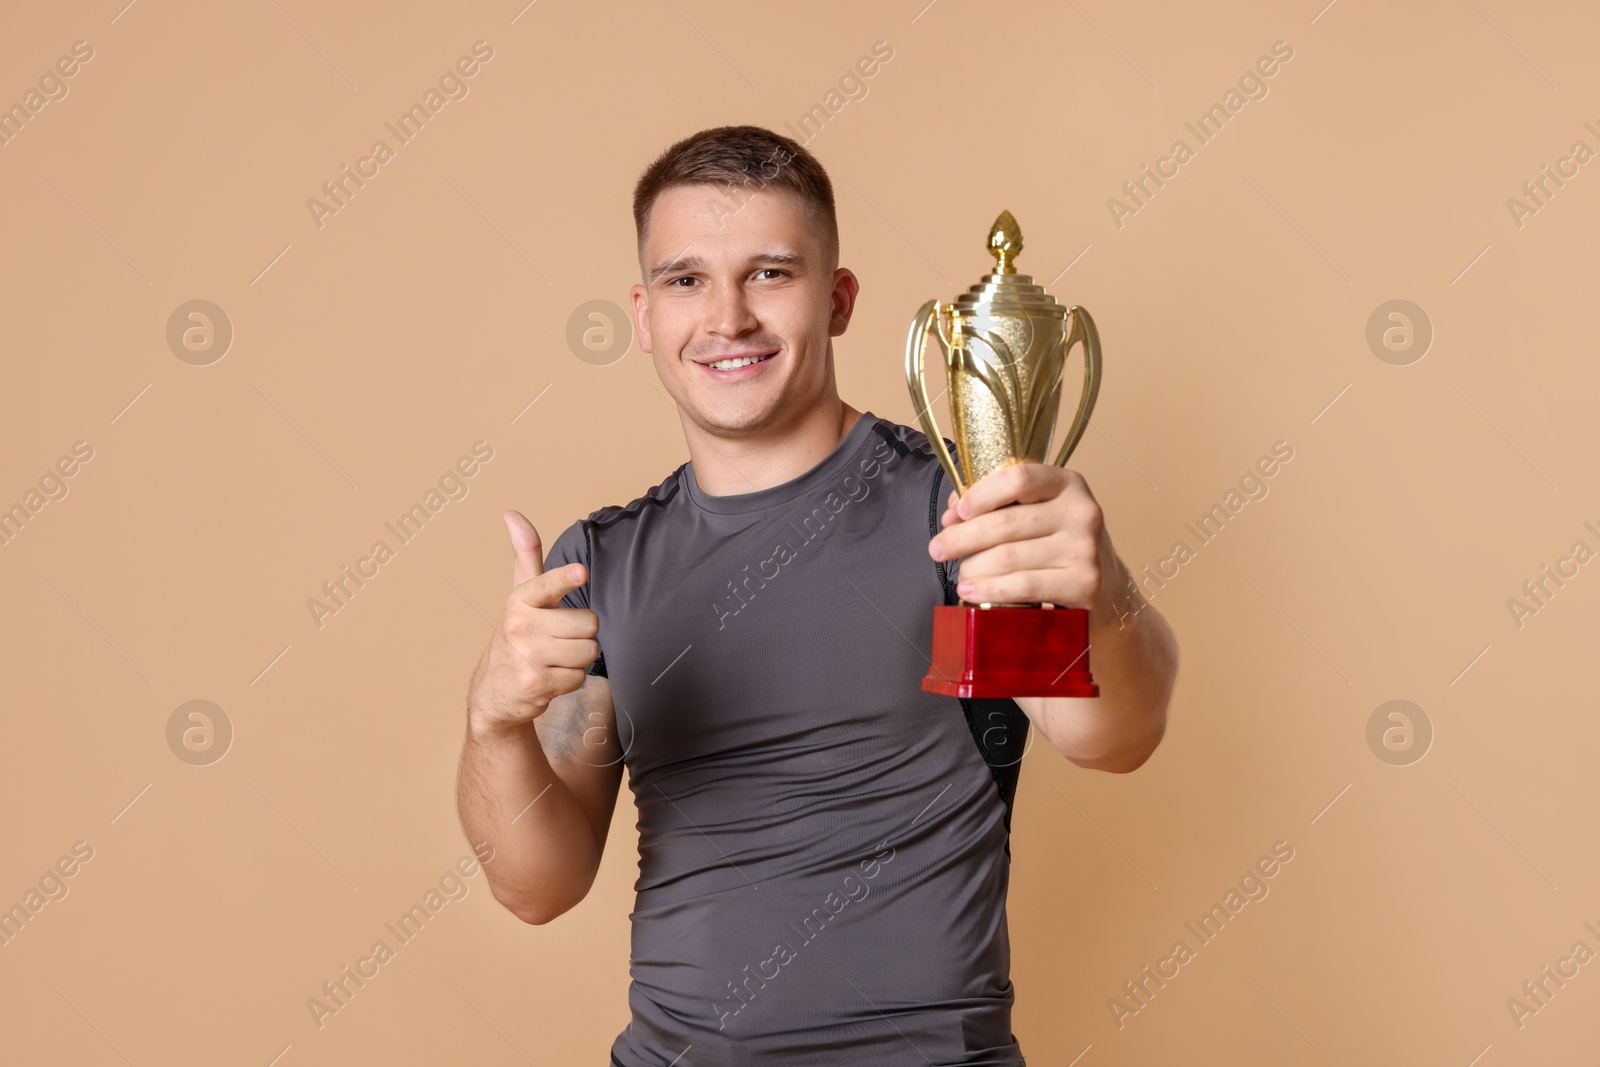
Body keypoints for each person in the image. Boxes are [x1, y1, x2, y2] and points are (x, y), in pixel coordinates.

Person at [456, 125, 1178, 1067]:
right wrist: (494, 723)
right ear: (642, 315)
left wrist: (1103, 582)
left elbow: (1109, 736)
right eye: (686, 280)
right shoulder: (604, 562)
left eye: (769, 274)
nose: (727, 319)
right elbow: (538, 884)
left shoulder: (951, 517)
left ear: (837, 300)